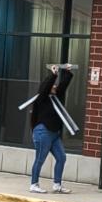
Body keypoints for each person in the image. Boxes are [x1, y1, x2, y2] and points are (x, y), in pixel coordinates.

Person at [29, 64, 73, 194]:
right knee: (40, 159)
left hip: (54, 134)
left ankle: (57, 185)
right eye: (52, 86)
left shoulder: (57, 97)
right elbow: (45, 87)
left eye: (55, 86)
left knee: (61, 157)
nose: (55, 87)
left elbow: (63, 85)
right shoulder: (42, 98)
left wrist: (67, 72)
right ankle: (34, 184)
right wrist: (54, 75)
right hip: (42, 132)